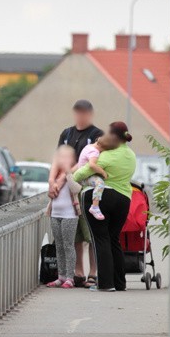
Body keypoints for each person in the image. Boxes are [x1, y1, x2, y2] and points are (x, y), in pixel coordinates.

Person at [73, 122, 136, 292]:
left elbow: (80, 173)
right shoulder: (131, 155)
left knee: (100, 239)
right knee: (114, 239)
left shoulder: (106, 155)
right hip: (124, 199)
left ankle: (106, 284)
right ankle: (119, 283)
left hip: (101, 198)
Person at [49, 99, 103, 288]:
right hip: (65, 191)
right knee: (75, 237)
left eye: (85, 113)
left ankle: (93, 273)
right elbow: (58, 158)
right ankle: (77, 272)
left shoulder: (96, 135)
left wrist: (63, 177)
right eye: (78, 112)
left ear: (90, 114)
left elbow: (86, 162)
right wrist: (52, 182)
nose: (81, 116)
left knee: (90, 233)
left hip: (84, 188)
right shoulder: (67, 133)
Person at [46, 145, 81, 288]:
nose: (63, 160)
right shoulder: (54, 175)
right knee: (59, 245)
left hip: (69, 214)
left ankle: (70, 277)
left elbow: (76, 188)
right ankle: (60, 276)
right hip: (55, 213)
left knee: (68, 245)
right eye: (61, 157)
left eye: (67, 157)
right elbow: (50, 193)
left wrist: (68, 173)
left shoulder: (76, 171)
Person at [71, 135, 118, 220]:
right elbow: (92, 165)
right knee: (100, 183)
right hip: (84, 178)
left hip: (82, 175)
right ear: (101, 147)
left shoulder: (88, 146)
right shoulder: (95, 152)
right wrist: (102, 172)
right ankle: (95, 206)